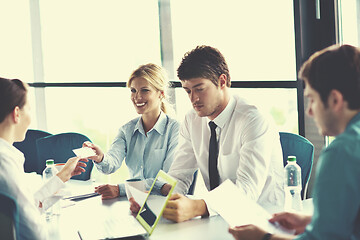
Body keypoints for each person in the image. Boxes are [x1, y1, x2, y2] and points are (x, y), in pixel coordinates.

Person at [130, 46, 285, 222]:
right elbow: (179, 176)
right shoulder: (192, 120)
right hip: (218, 217)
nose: (193, 99)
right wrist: (153, 202)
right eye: (188, 91)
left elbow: (247, 190)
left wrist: (197, 206)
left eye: (200, 89)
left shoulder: (253, 120)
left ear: (222, 81)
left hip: (263, 219)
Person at [229, 44, 360, 240]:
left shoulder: (341, 152)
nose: (309, 111)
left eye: (312, 99)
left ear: (334, 100)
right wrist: (312, 221)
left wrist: (263, 238)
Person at [0, 77, 88, 240]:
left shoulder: (7, 157)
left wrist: (62, 176)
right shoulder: (4, 164)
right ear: (17, 113)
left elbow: (25, 207)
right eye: (29, 109)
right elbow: (34, 232)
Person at [83, 63, 179, 199]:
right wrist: (100, 158)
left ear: (161, 94)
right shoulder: (126, 130)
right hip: (134, 202)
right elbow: (110, 165)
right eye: (133, 90)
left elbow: (166, 181)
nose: (137, 97)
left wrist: (120, 189)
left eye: (145, 90)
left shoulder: (175, 129)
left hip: (164, 204)